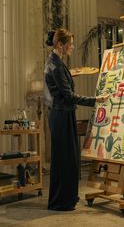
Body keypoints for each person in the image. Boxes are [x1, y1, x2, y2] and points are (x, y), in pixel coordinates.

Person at [44, 28, 109, 211]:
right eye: (70, 44)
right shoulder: (55, 65)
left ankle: (66, 198)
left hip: (63, 114)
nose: (72, 47)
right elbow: (69, 96)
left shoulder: (56, 62)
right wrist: (96, 100)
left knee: (68, 159)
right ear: (60, 45)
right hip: (61, 115)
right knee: (65, 159)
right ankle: (61, 202)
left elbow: (64, 90)